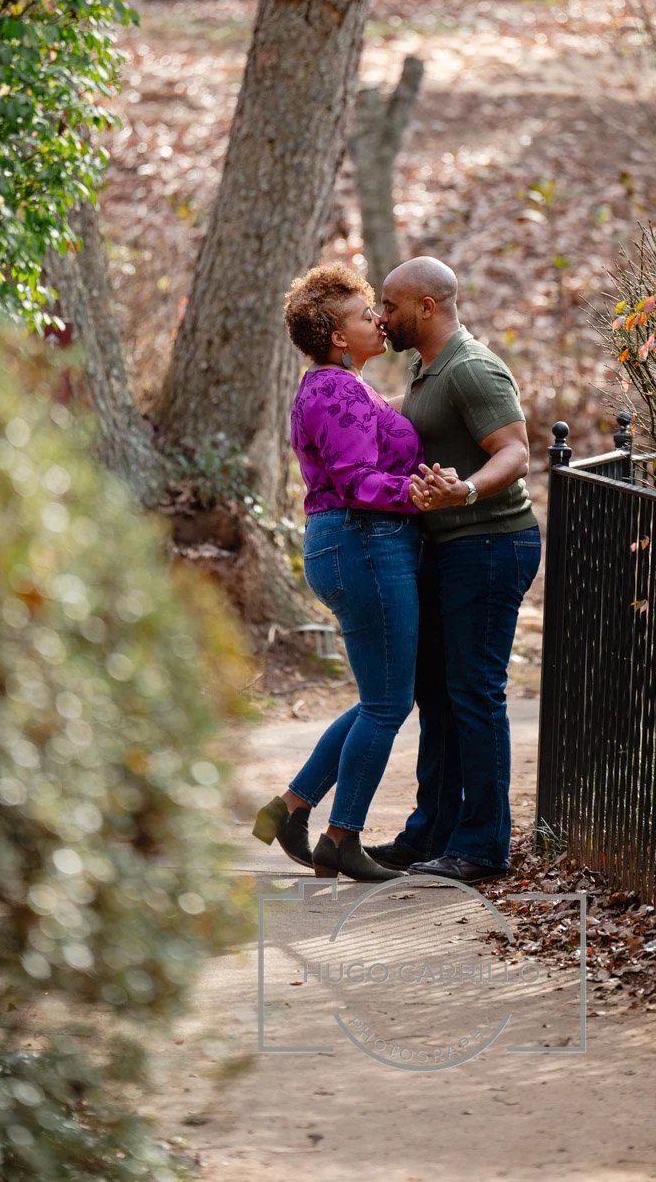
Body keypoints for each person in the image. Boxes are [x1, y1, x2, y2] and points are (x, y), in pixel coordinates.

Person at [367, 257, 542, 884]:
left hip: (489, 545)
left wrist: (464, 491)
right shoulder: (425, 369)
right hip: (448, 550)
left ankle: (484, 846)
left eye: (389, 305)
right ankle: (430, 835)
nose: (381, 317)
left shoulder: (471, 368)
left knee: (472, 694)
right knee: (435, 696)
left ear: (426, 307)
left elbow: (517, 452)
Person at [251, 264, 423, 882]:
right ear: (336, 334)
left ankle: (290, 808)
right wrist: (422, 494)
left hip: (352, 545)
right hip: (363, 543)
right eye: (363, 312)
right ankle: (342, 839)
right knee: (386, 705)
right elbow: (358, 483)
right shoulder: (336, 390)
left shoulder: (344, 387)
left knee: (381, 699)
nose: (378, 318)